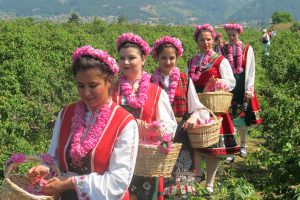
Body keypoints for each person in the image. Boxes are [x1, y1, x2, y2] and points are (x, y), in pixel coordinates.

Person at [28, 45, 139, 200]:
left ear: (109, 81)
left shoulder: (124, 123)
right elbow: (54, 157)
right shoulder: (66, 114)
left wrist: (69, 183)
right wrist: (45, 168)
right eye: (80, 86)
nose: (86, 93)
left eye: (93, 86)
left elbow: (118, 182)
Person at [111, 32, 177, 200]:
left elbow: (169, 125)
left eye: (131, 58)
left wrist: (152, 129)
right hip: (114, 160)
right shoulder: (110, 90)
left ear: (143, 59)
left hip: (145, 161)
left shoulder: (156, 92)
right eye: (122, 58)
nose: (125, 62)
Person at [150, 36, 211, 195]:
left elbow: (198, 108)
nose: (168, 62)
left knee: (181, 177)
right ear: (157, 58)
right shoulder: (150, 81)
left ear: (177, 58)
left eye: (172, 58)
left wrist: (193, 117)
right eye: (164, 57)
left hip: (181, 133)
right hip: (160, 135)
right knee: (161, 175)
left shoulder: (185, 79)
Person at [187, 24, 239, 194]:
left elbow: (231, 82)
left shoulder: (220, 60)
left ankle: (209, 182)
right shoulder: (192, 61)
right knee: (195, 144)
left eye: (208, 39)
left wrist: (218, 84)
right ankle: (198, 174)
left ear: (213, 40)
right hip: (197, 107)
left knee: (213, 149)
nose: (205, 42)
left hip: (214, 107)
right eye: (202, 39)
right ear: (197, 41)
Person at [222, 23, 263, 164]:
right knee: (230, 119)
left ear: (239, 34)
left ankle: (243, 145)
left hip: (242, 86)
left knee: (242, 119)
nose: (232, 37)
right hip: (229, 87)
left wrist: (249, 89)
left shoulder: (247, 49)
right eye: (229, 35)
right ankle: (231, 149)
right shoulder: (223, 49)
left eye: (234, 35)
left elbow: (251, 70)